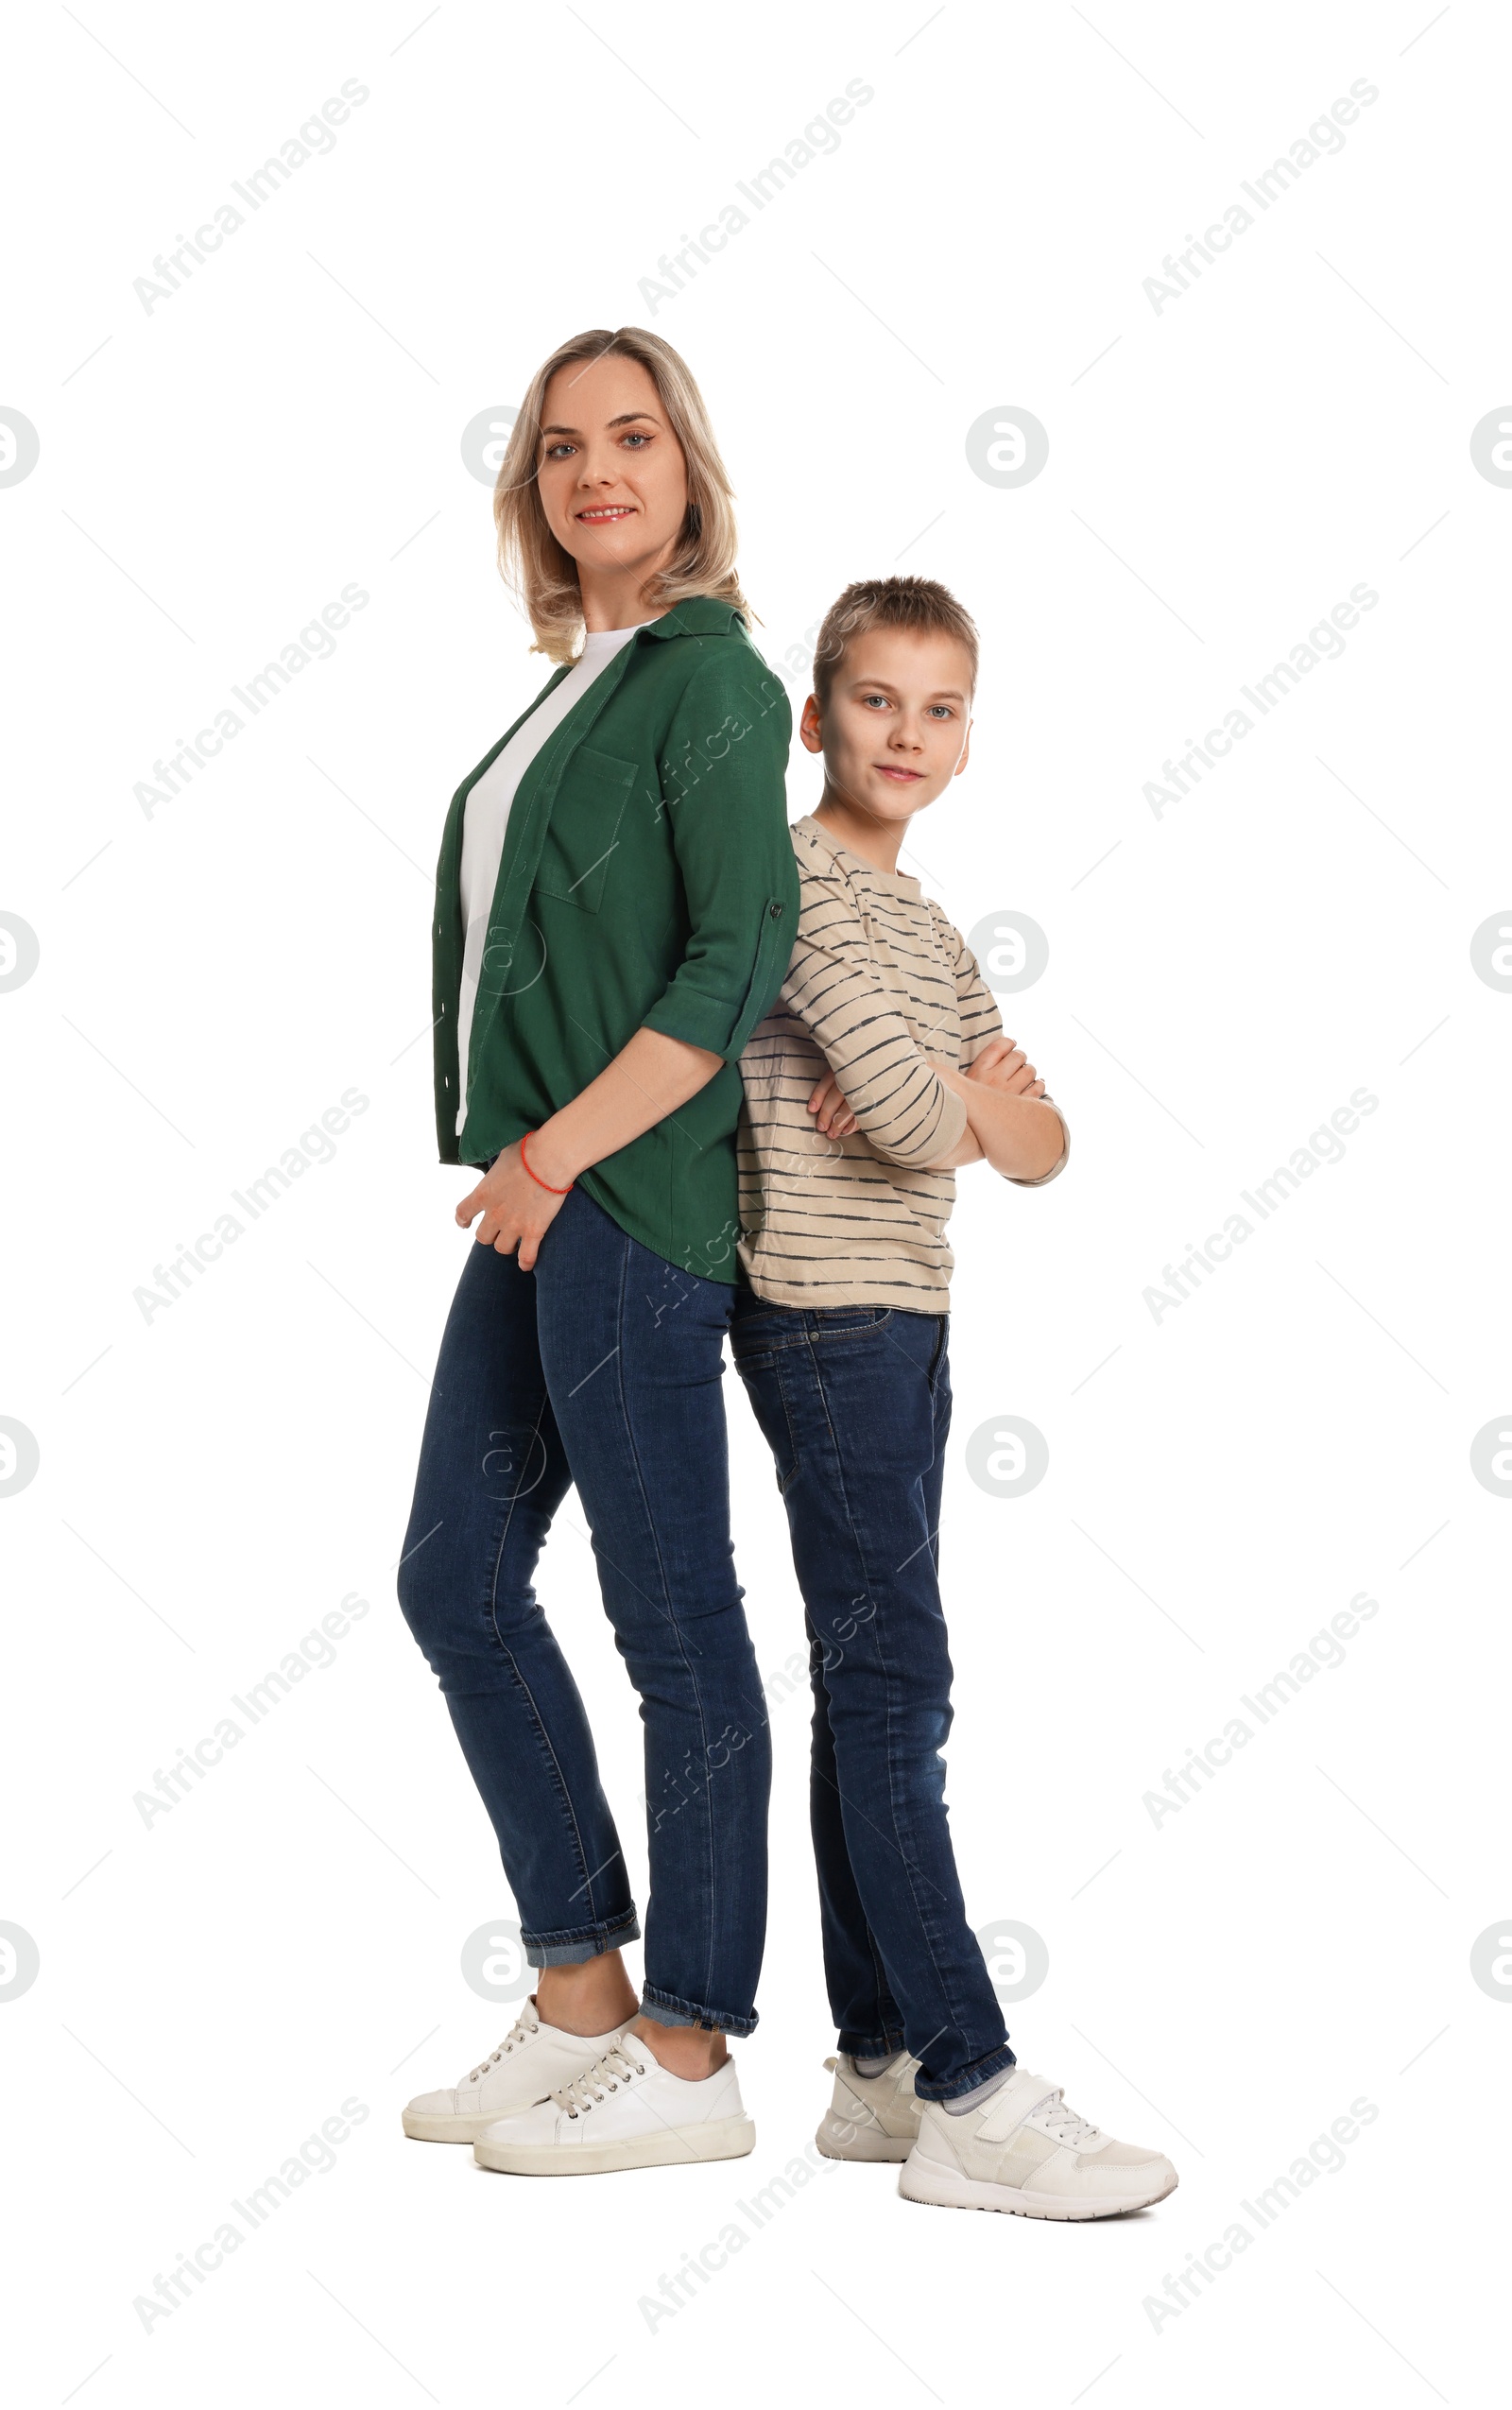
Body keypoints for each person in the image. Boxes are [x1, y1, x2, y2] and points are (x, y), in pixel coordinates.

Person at [396, 327, 799, 2177]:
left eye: (630, 438)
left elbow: (724, 973)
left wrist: (553, 1148)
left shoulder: (707, 678)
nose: (592, 472)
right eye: (559, 448)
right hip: (544, 1201)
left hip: (622, 1203)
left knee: (670, 1619)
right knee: (453, 1578)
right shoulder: (584, 679)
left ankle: (691, 2052)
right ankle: (577, 1988)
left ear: (689, 470)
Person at [732, 576, 1179, 2218]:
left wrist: (952, 1103)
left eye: (939, 708)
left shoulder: (923, 924)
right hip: (825, 1316)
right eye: (875, 700)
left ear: (968, 735)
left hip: (913, 1317)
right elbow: (949, 1130)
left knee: (868, 1685)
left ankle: (880, 2070)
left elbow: (1048, 1146)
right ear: (818, 713)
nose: (905, 735)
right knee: (896, 1684)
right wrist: (954, 1107)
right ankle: (976, 2086)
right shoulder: (789, 877)